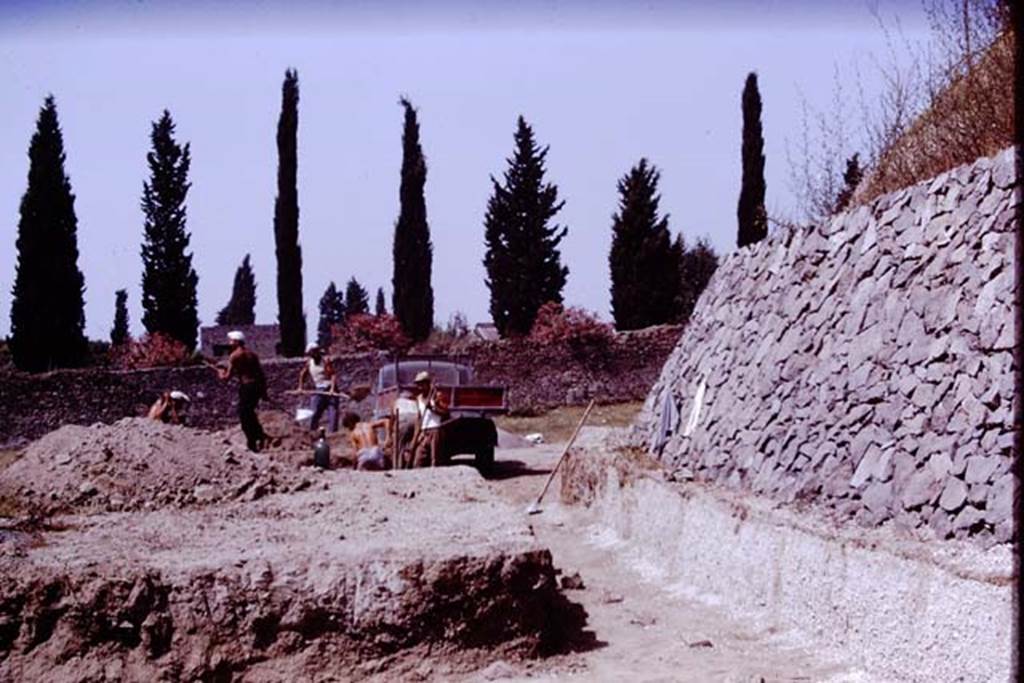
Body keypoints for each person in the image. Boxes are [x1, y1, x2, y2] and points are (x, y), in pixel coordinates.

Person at [217, 330, 268, 452]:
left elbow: (226, 377)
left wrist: (220, 373)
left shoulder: (234, 356)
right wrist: (264, 392)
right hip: (256, 387)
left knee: (244, 414)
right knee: (250, 412)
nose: (229, 343)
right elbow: (260, 374)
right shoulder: (252, 355)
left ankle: (254, 440)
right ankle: (258, 435)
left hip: (246, 387)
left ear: (236, 341)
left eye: (231, 341)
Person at [297, 342, 339, 433]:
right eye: (311, 354)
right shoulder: (309, 362)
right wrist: (300, 387)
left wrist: (332, 389)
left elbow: (333, 375)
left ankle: (333, 434)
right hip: (318, 389)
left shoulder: (325, 361)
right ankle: (312, 432)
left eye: (313, 353)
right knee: (314, 411)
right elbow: (302, 374)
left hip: (329, 389)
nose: (312, 355)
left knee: (333, 413)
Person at [411, 371, 448, 467]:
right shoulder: (418, 398)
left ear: (427, 384)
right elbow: (418, 418)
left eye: (421, 384)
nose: (419, 387)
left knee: (435, 460)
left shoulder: (436, 396)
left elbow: (445, 413)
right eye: (418, 384)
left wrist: (433, 409)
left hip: (435, 430)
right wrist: (417, 435)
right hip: (424, 431)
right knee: (418, 460)